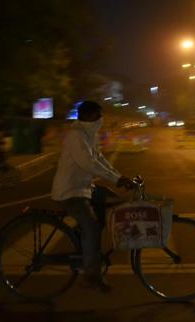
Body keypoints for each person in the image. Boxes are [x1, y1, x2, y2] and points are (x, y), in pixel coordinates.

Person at [51, 100, 134, 290]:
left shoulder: (90, 134)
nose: (101, 120)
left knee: (113, 202)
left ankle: (84, 242)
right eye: (98, 115)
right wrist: (116, 179)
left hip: (85, 188)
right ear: (87, 116)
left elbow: (100, 159)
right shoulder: (75, 136)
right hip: (70, 192)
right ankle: (91, 276)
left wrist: (119, 177)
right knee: (93, 228)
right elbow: (88, 163)